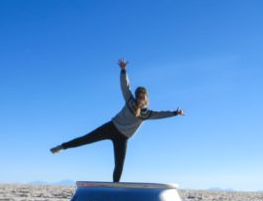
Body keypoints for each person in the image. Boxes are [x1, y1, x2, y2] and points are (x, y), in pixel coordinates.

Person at [51, 59, 184, 182]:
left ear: (146, 98)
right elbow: (125, 86)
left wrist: (175, 113)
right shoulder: (130, 101)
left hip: (123, 138)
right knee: (86, 139)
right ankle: (62, 147)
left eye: (143, 97)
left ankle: (114, 187)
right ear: (137, 97)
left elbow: (161, 115)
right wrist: (123, 70)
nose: (141, 99)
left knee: (119, 164)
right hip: (111, 127)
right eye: (139, 96)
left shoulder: (147, 114)